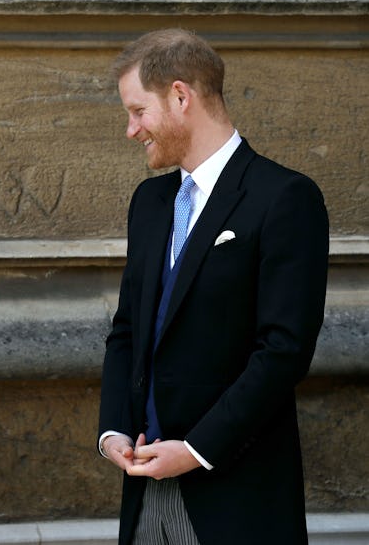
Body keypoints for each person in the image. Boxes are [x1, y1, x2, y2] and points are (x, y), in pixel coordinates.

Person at [98, 29, 329, 545]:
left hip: (235, 498)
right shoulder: (150, 203)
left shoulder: (285, 198)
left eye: (138, 111)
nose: (131, 130)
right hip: (143, 497)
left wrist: (197, 449)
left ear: (181, 96)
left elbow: (284, 352)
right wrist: (112, 429)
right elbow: (129, 329)